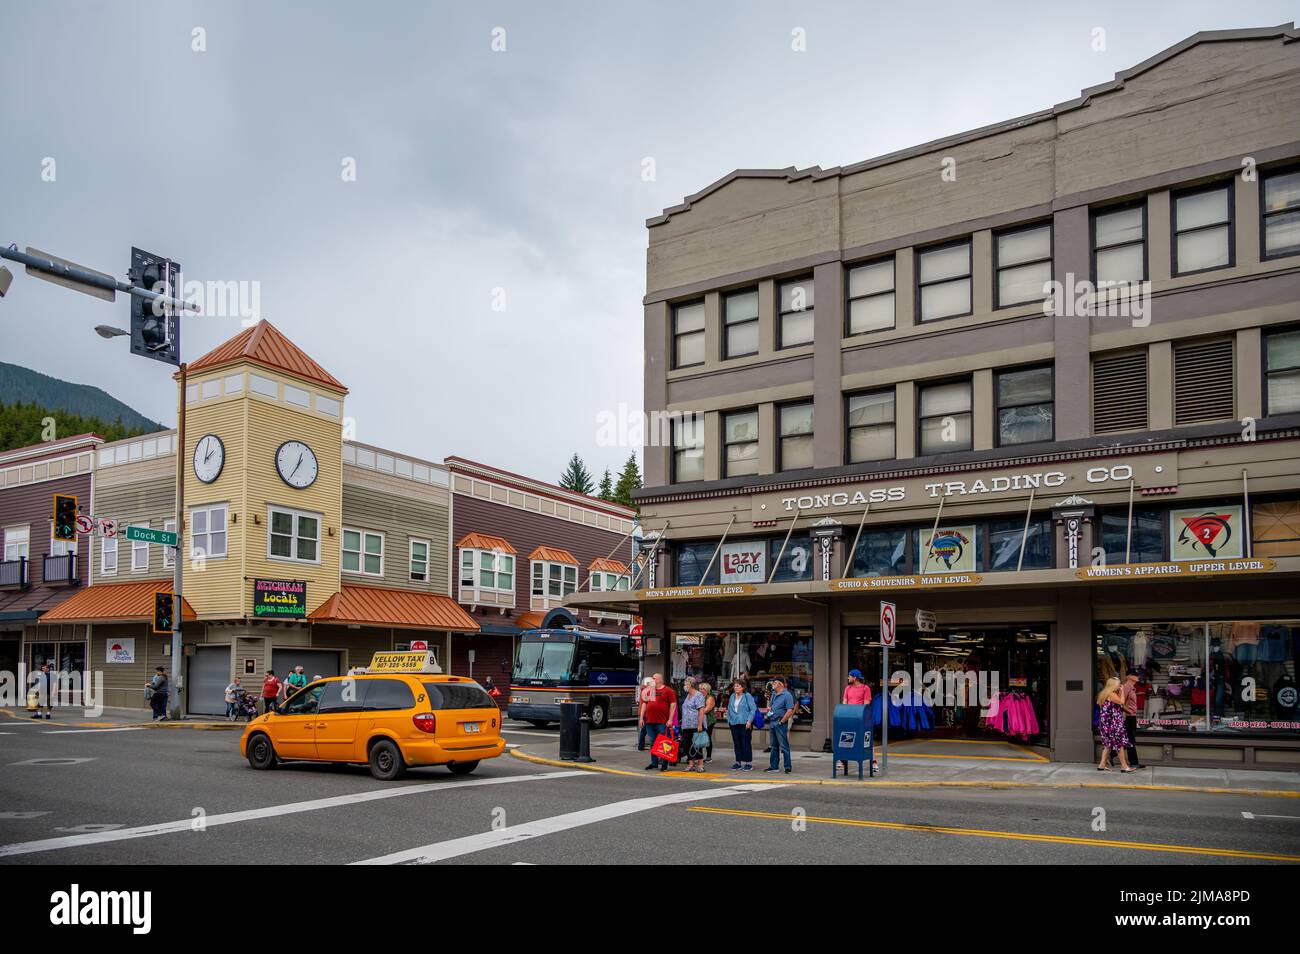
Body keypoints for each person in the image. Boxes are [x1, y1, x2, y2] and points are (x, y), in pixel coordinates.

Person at [1096, 676, 1136, 773]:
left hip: (1108, 723)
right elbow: (1121, 702)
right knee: (1119, 744)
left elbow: (1116, 706)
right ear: (1113, 685)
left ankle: (1101, 765)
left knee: (1108, 745)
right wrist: (1122, 691)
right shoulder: (1111, 694)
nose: (1120, 686)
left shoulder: (1105, 694)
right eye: (1118, 684)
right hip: (1113, 723)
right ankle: (1124, 766)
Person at [640, 672, 677, 771]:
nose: (652, 680)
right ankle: (654, 762)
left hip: (662, 721)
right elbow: (645, 704)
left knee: (664, 742)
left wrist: (670, 719)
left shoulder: (668, 690)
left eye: (654, 678)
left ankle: (664, 764)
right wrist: (641, 718)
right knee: (653, 742)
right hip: (650, 721)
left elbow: (673, 705)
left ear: (660, 680)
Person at [839, 669, 873, 774]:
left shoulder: (865, 688)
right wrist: (845, 715)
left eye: (849, 676)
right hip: (849, 718)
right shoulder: (847, 688)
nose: (848, 678)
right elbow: (844, 703)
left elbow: (866, 704)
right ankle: (842, 761)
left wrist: (859, 715)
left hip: (860, 718)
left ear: (855, 678)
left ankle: (874, 762)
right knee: (846, 739)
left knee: (866, 740)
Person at [765, 677, 795, 774]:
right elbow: (772, 707)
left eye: (775, 682)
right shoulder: (774, 694)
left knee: (784, 746)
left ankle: (787, 767)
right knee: (774, 746)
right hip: (773, 722)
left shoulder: (787, 695)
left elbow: (790, 711)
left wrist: (781, 722)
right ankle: (774, 766)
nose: (773, 684)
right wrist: (770, 710)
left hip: (780, 722)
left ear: (781, 684)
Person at [726, 678, 756, 770]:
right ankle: (738, 762)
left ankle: (748, 763)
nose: (735, 688)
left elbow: (753, 709)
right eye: (734, 686)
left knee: (745, 743)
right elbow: (729, 709)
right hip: (734, 723)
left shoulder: (747, 696)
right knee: (736, 743)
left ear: (743, 687)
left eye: (738, 686)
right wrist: (729, 720)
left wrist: (749, 721)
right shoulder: (732, 696)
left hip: (745, 723)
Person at [680, 678, 707, 772]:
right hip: (686, 725)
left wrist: (700, 725)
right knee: (687, 745)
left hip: (696, 724)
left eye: (685, 684)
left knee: (697, 745)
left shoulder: (698, 695)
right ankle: (691, 763)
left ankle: (700, 764)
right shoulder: (688, 695)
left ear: (690, 684)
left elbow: (701, 710)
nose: (684, 686)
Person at [1121, 671, 1143, 770]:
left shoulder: (1132, 687)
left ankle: (1111, 755)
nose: (1138, 676)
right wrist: (1128, 711)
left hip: (1132, 716)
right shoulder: (1126, 687)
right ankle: (1134, 762)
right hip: (1128, 717)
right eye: (1135, 675)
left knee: (1129, 739)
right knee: (1130, 739)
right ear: (1129, 677)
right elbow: (1121, 702)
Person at [636, 677, 655, 750]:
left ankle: (641, 745)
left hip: (641, 712)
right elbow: (647, 703)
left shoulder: (642, 690)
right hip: (646, 713)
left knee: (643, 731)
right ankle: (641, 746)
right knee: (646, 731)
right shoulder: (647, 691)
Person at [700, 682, 717, 763]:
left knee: (707, 738)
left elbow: (707, 709)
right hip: (701, 719)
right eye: (700, 689)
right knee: (700, 737)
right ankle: (699, 756)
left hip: (708, 720)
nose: (700, 690)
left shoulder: (710, 697)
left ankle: (708, 757)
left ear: (707, 690)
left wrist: (698, 712)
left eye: (702, 689)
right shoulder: (700, 696)